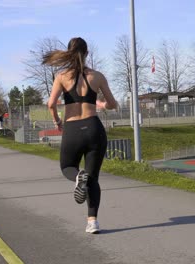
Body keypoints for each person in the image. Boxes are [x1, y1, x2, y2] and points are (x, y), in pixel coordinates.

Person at [43, 37, 117, 234]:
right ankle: (92, 222)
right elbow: (113, 104)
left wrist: (57, 122)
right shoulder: (98, 76)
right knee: (93, 178)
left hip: (72, 129)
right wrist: (101, 104)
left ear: (69, 52)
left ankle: (78, 178)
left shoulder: (61, 76)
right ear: (87, 54)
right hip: (94, 128)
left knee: (67, 167)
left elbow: (51, 104)